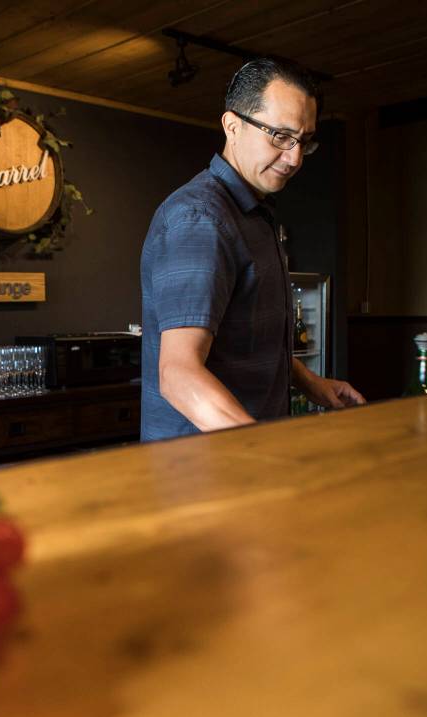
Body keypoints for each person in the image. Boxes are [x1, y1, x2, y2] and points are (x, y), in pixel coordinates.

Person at [139, 57, 365, 442]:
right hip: (201, 470)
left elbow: (244, 339)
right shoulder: (200, 218)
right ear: (232, 126)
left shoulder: (252, 212)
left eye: (304, 141)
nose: (294, 158)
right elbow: (178, 374)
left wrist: (311, 383)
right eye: (280, 136)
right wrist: (261, 449)